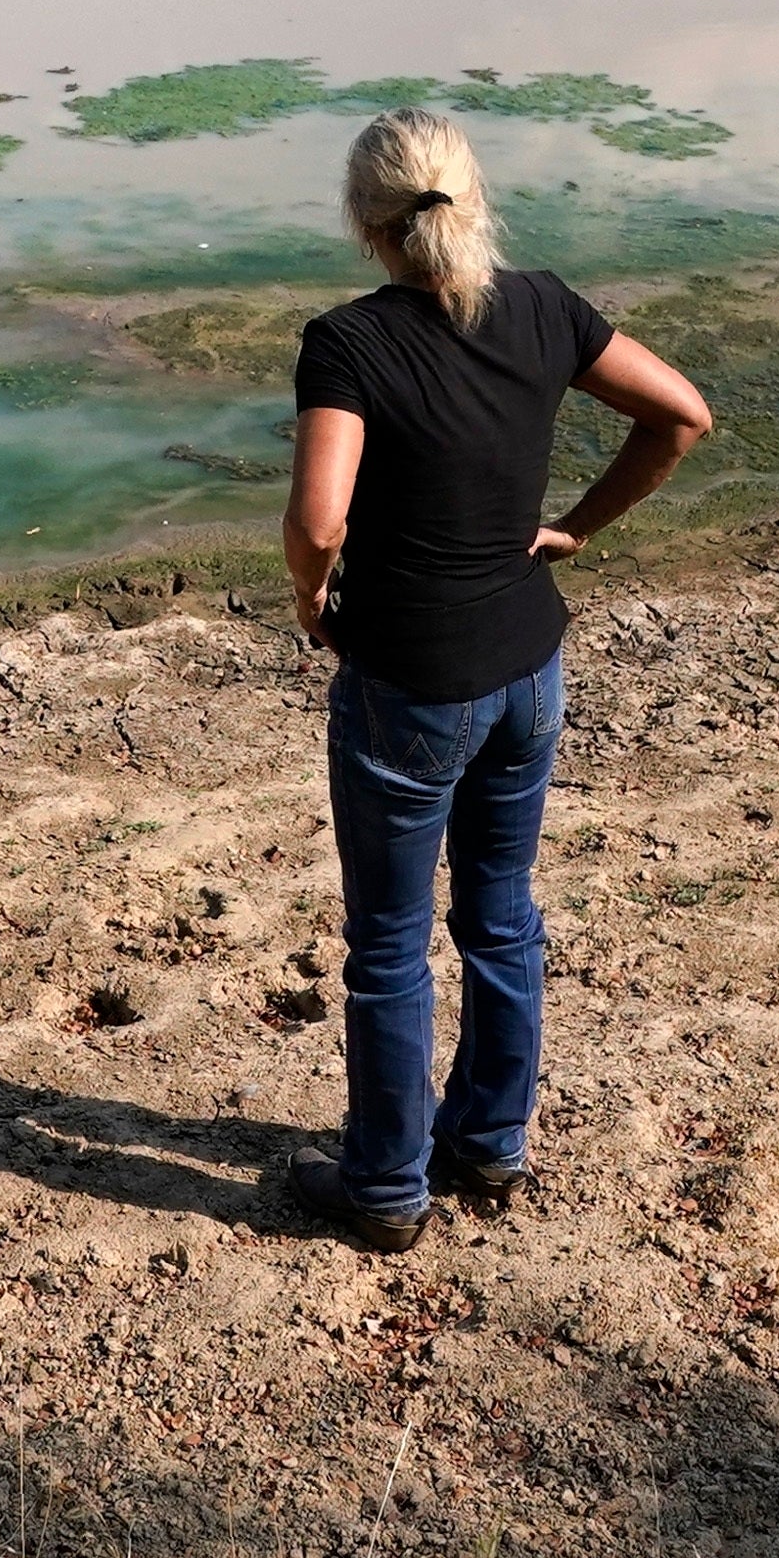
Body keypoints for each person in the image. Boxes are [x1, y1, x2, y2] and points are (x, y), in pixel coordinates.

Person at [273, 110, 716, 1253]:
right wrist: (576, 527)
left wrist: (310, 597)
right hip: (528, 667)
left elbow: (319, 518)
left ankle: (385, 1186)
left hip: (410, 683)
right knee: (501, 913)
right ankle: (487, 1140)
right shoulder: (544, 305)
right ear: (471, 197)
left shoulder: (348, 342)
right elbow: (682, 415)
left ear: (364, 222)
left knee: (388, 943)